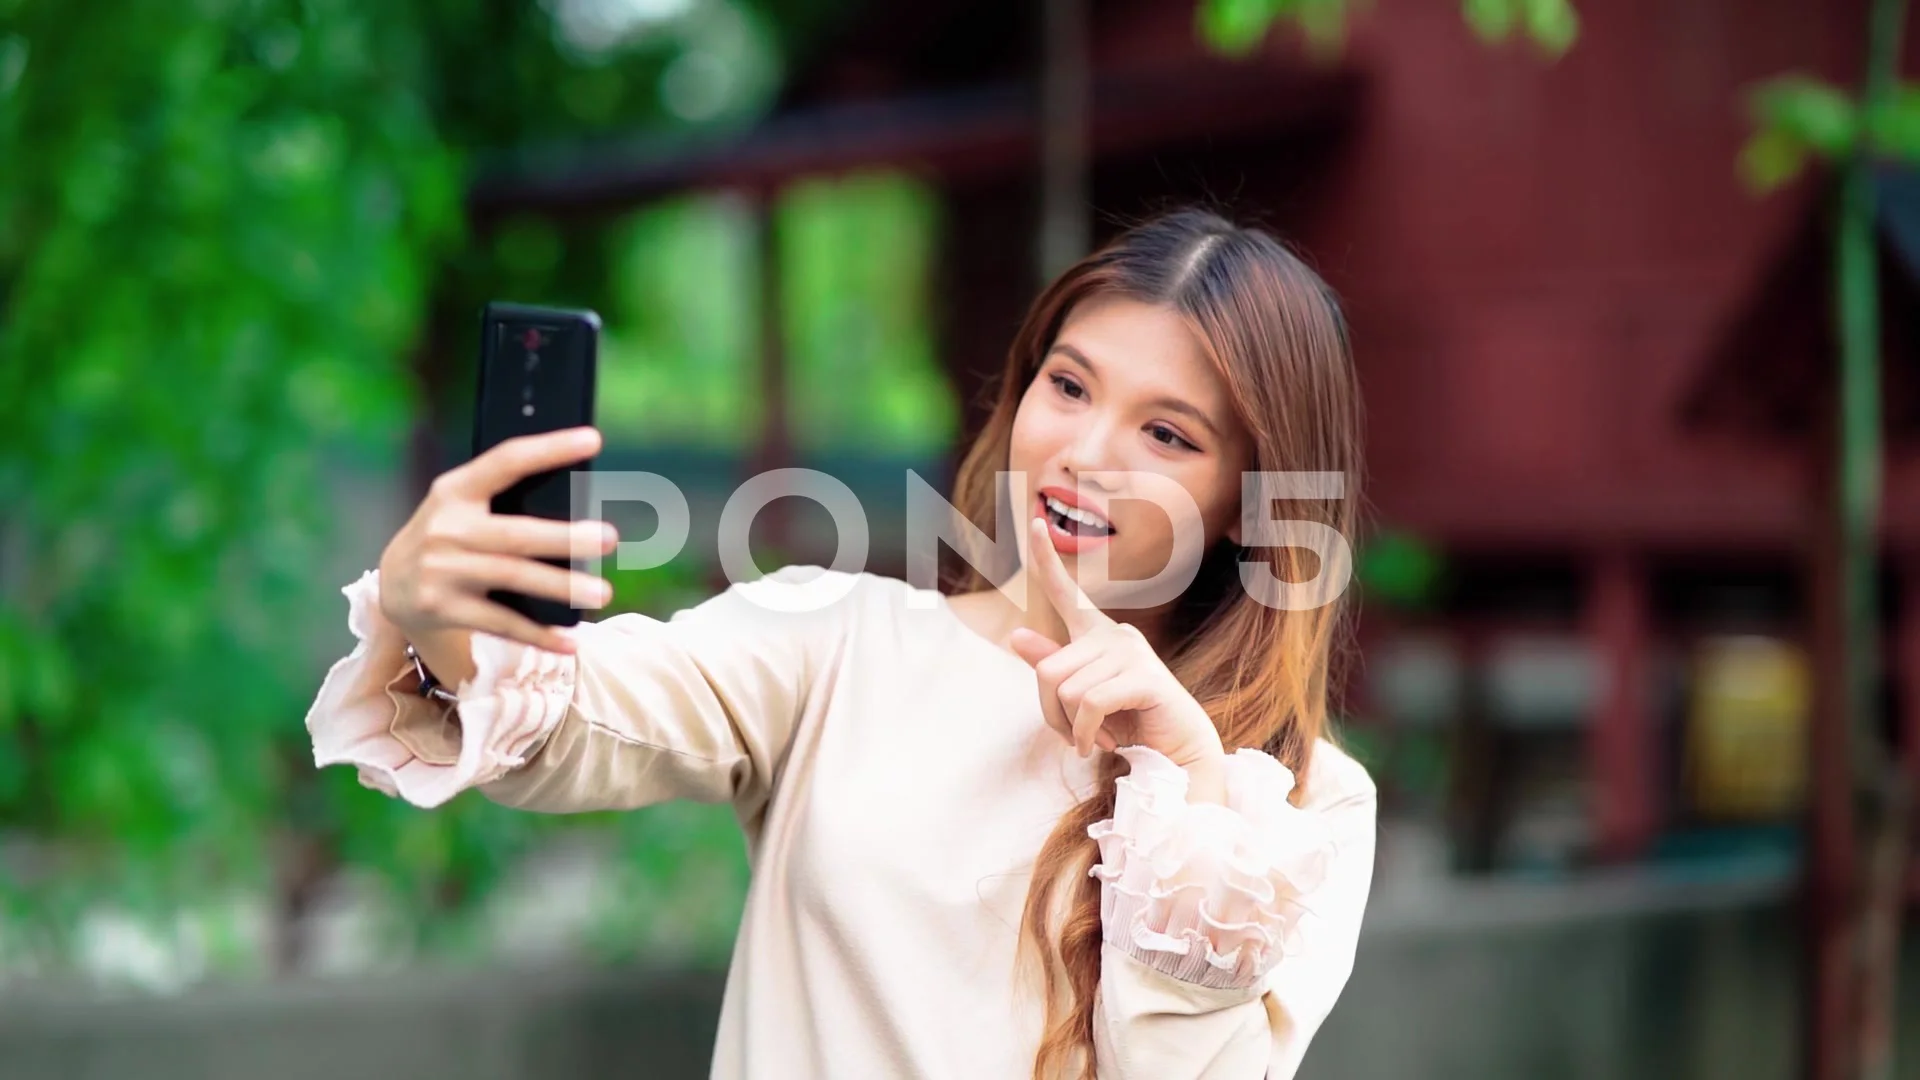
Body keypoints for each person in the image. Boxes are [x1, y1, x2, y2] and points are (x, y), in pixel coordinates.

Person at [304, 209, 1376, 1080]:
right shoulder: (835, 640)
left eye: (1167, 432)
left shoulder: (1299, 804)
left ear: (1249, 498)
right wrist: (440, 615)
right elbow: (567, 727)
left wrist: (1187, 784)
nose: (1084, 451)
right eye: (1069, 384)